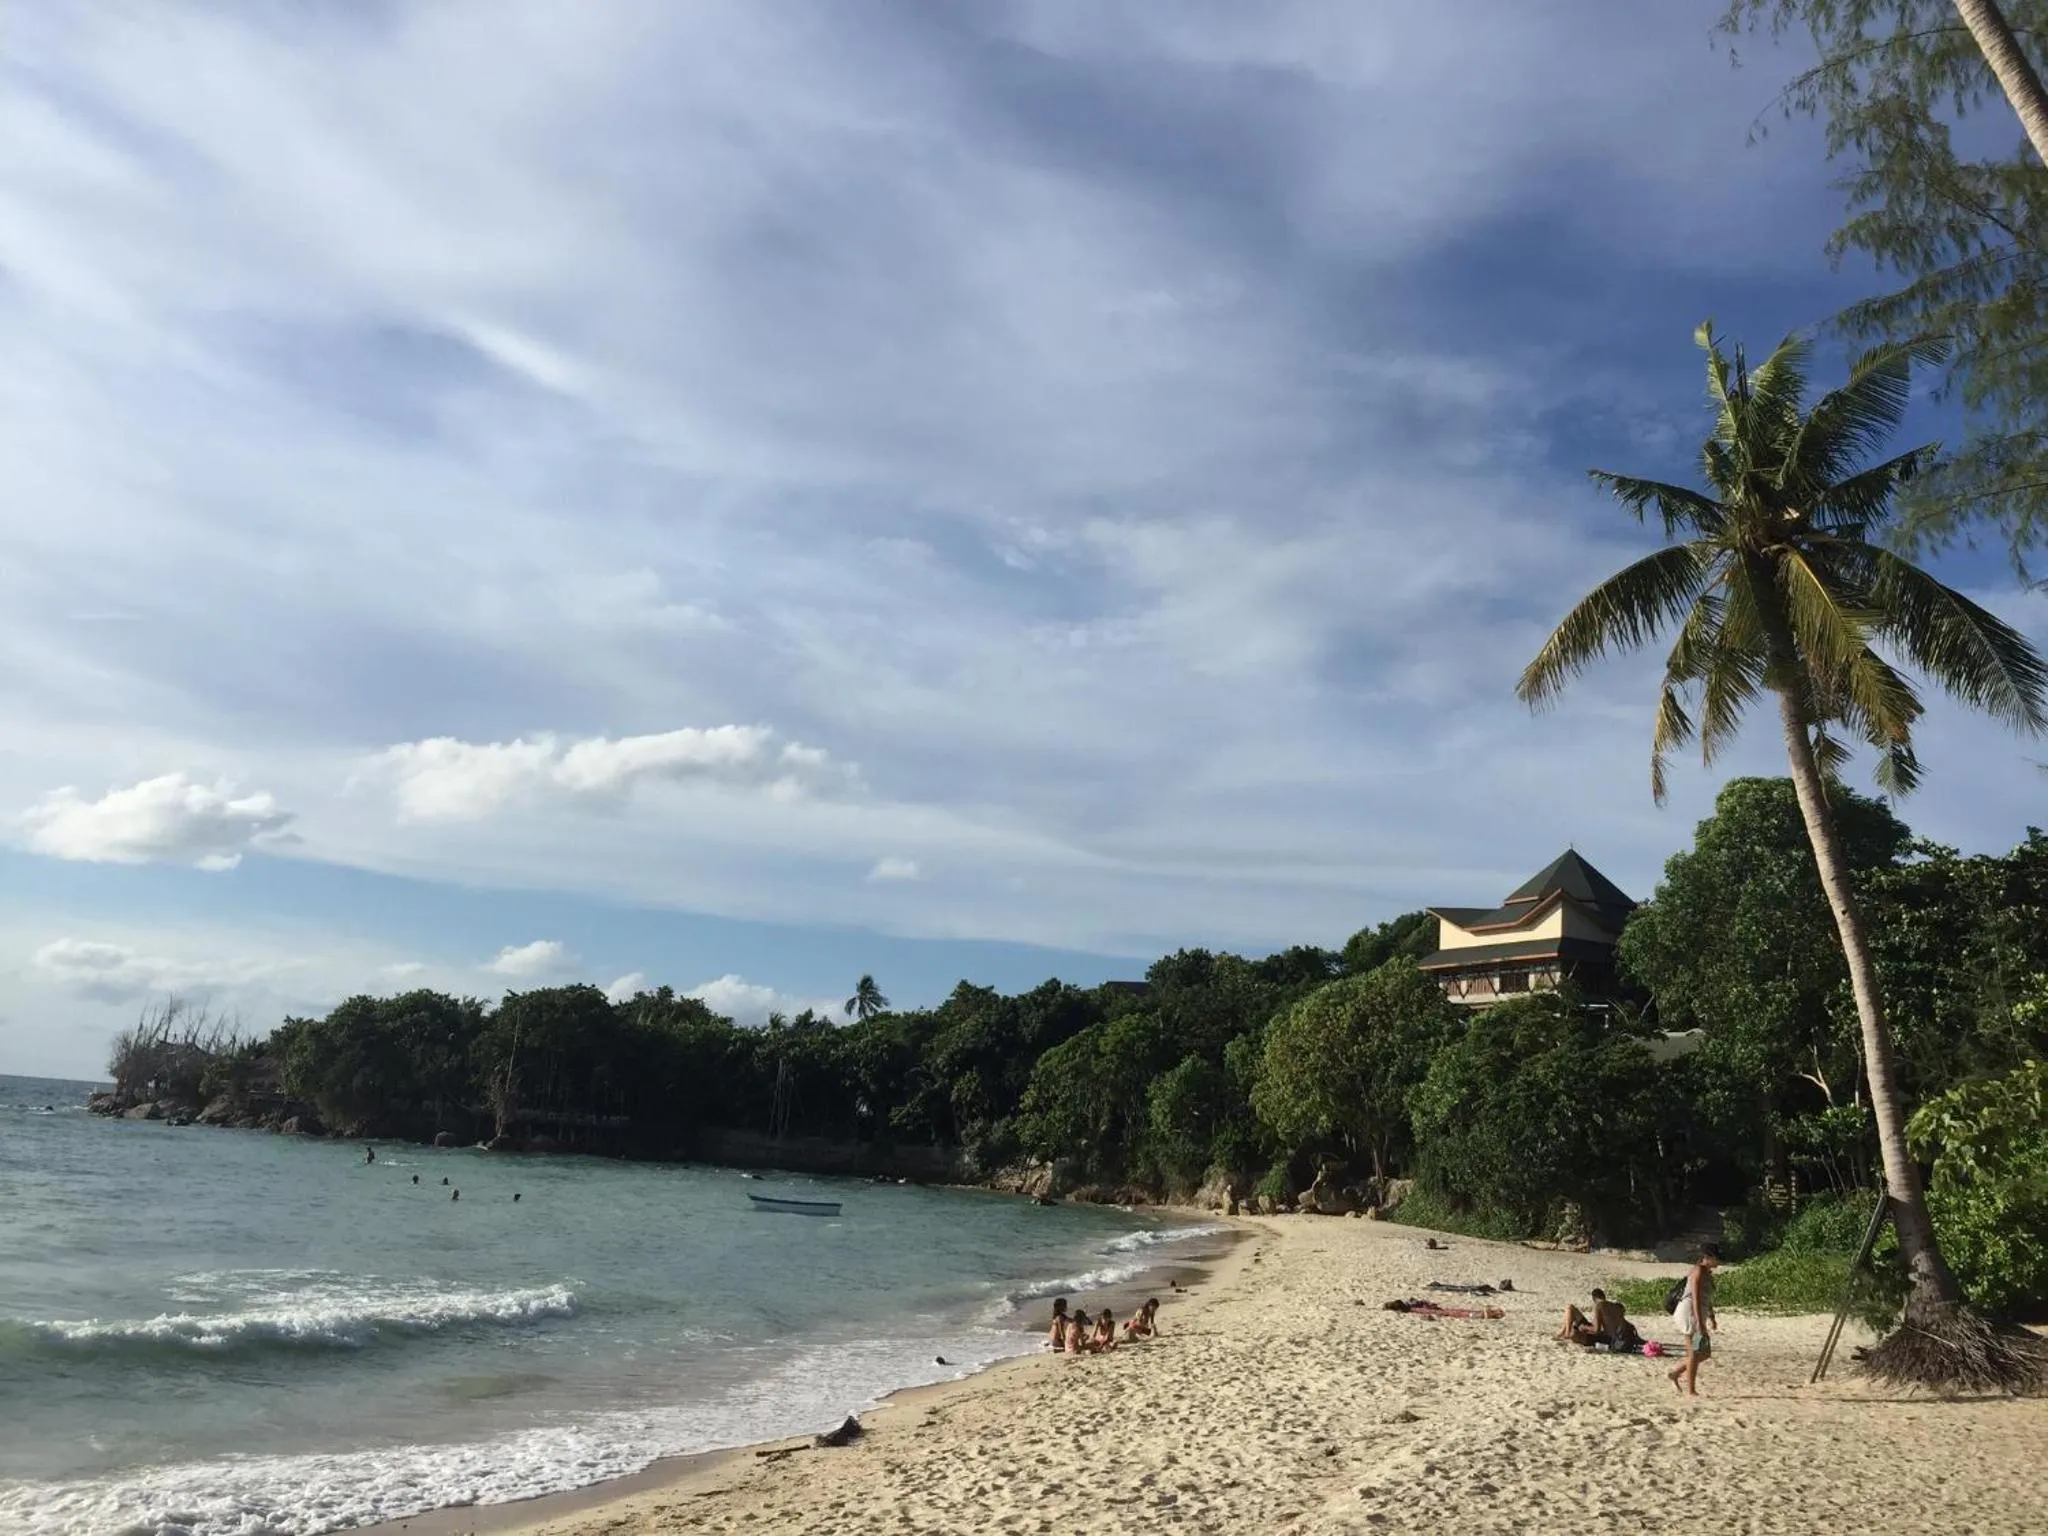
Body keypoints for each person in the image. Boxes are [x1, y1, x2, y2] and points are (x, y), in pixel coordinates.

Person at [1668, 1243, 1721, 1395]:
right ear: (1708, 1257)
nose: (1719, 1261)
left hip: (1698, 1314)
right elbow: (1696, 1298)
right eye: (1717, 1258)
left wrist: (1711, 1317)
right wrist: (1700, 1323)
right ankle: (1691, 1391)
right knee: (1693, 1352)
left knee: (1704, 1353)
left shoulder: (1707, 1273)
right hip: (1689, 1313)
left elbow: (1706, 1298)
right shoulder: (1698, 1270)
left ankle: (1675, 1373)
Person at [1559, 1288, 1624, 1345]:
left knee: (1574, 1334)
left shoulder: (1598, 1306)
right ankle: (1564, 1332)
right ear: (1604, 1296)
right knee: (1570, 1307)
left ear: (1594, 1299)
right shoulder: (1616, 1306)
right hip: (1616, 1336)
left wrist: (1584, 1327)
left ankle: (1566, 1333)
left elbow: (1596, 1329)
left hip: (1606, 1338)